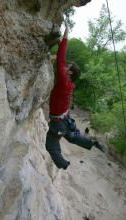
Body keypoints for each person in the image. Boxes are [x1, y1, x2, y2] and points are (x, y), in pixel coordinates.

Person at [45, 23, 106, 170]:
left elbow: (60, 59)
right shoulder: (70, 84)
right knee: (72, 137)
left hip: (59, 122)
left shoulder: (64, 82)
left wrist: (66, 36)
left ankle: (63, 164)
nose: (65, 66)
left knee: (51, 145)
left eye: (68, 67)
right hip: (66, 118)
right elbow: (61, 61)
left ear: (70, 73)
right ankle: (93, 143)